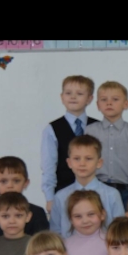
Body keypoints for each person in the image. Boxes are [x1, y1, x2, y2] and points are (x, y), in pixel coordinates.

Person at [40, 75, 98, 213]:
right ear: (62, 97)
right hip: (64, 192)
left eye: (79, 93)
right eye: (68, 93)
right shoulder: (52, 129)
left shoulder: (98, 127)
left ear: (89, 99)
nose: (73, 97)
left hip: (95, 193)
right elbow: (48, 166)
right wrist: (50, 198)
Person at [49, 135, 125, 238]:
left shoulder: (112, 194)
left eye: (88, 158)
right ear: (69, 163)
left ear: (99, 163)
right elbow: (55, 233)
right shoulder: (60, 197)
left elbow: (120, 231)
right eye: (77, 159)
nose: (82, 163)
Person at [84, 81, 128, 208]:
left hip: (126, 191)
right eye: (104, 99)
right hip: (97, 189)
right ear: (98, 105)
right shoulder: (90, 131)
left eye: (115, 99)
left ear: (126, 104)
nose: (109, 103)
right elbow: (86, 161)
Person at [0, 156, 49, 250]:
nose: (10, 186)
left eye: (16, 181)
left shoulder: (37, 212)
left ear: (26, 183)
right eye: (3, 181)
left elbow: (43, 246)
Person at [64, 190, 109, 255]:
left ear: (102, 215)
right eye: (78, 216)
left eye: (91, 214)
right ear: (71, 219)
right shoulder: (64, 245)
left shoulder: (112, 241)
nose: (85, 221)